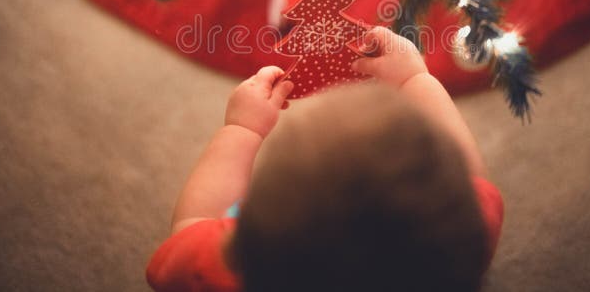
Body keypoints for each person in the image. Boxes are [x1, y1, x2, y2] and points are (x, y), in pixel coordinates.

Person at [147, 26, 504, 292]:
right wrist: (414, 78)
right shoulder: (465, 235)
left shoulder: (221, 273)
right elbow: (474, 177)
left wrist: (242, 130)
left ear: (251, 230)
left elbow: (191, 226)